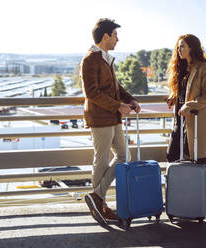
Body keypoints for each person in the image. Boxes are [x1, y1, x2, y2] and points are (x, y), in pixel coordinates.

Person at [81, 18, 141, 225]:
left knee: (124, 156)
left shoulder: (105, 58)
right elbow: (92, 93)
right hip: (100, 118)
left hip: (113, 117)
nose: (118, 39)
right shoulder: (90, 59)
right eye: (115, 35)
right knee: (102, 159)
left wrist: (130, 100)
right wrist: (118, 106)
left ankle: (97, 197)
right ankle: (100, 204)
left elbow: (116, 87)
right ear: (106, 36)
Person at [166, 34, 206, 165]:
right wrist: (174, 96)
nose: (178, 50)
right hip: (179, 119)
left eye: (182, 46)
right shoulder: (181, 69)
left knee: (199, 160)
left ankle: (200, 185)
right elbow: (184, 90)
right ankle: (180, 185)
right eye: (178, 47)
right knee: (172, 155)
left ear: (191, 48)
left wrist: (189, 105)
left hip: (195, 119)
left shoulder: (205, 69)